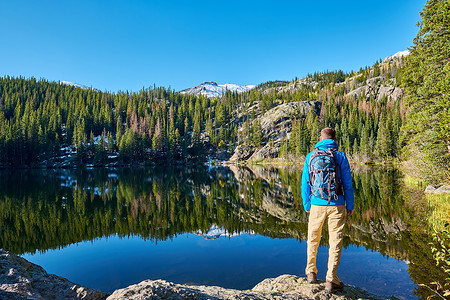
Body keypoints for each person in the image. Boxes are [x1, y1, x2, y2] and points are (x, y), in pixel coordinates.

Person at [301, 127, 354, 292]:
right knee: (335, 242)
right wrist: (350, 205)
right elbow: (347, 184)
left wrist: (307, 204)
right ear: (335, 138)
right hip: (337, 204)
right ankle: (331, 279)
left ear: (320, 138)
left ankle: (311, 273)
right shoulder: (340, 156)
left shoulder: (311, 156)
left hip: (316, 203)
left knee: (313, 238)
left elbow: (305, 183)